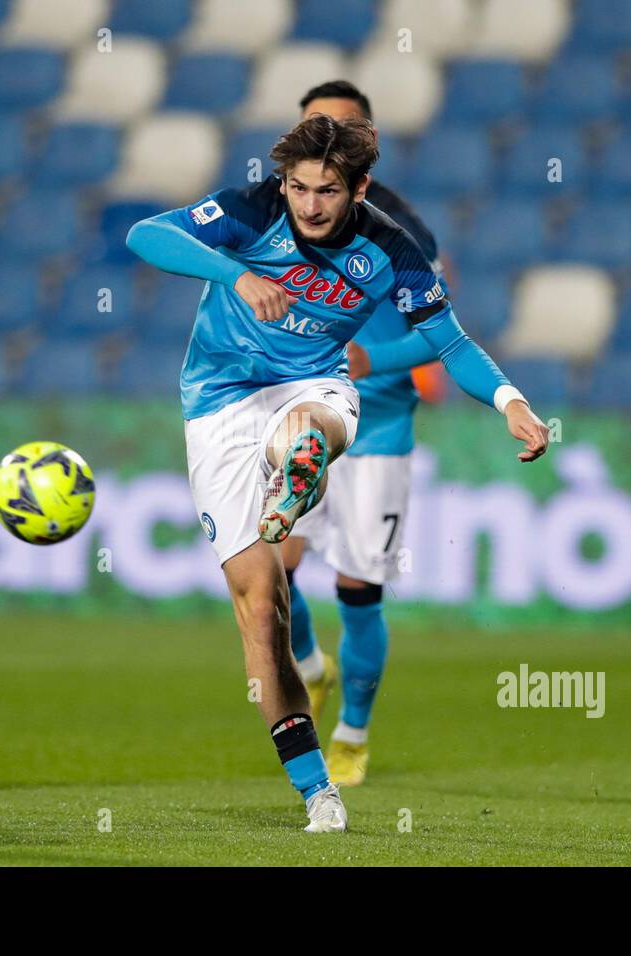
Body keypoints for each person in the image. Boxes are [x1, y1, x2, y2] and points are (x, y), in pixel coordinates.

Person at [126, 114, 549, 833]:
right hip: (218, 401)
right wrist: (236, 273)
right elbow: (144, 235)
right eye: (299, 188)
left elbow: (451, 342)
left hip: (315, 387)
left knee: (308, 430)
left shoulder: (392, 249)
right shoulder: (252, 209)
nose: (310, 205)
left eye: (327, 191)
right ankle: (319, 790)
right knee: (261, 609)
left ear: (358, 187)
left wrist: (511, 401)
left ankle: (299, 471)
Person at [282, 80, 452, 787]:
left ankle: (352, 731)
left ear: (365, 148)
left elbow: (442, 338)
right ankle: (311, 668)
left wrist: (372, 360)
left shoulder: (405, 235)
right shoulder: (286, 216)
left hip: (376, 427)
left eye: (332, 133)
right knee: (269, 564)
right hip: (302, 417)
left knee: (358, 589)